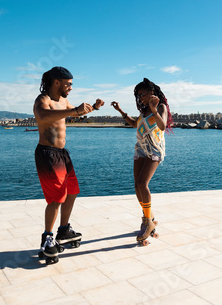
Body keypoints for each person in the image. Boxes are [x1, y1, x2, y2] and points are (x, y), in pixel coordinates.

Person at [34, 66, 104, 262]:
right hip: (47, 153)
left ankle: (63, 230)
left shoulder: (63, 100)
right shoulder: (43, 101)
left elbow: (73, 114)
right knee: (56, 198)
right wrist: (73, 110)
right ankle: (47, 238)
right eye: (69, 84)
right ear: (57, 82)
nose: (71, 88)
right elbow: (43, 116)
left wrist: (93, 108)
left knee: (72, 191)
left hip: (62, 154)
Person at [111, 78, 173, 243]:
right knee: (137, 185)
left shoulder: (160, 107)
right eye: (138, 96)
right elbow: (135, 124)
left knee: (143, 184)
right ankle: (149, 218)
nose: (140, 99)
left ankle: (147, 222)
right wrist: (120, 111)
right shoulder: (144, 110)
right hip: (140, 148)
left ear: (152, 93)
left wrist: (154, 110)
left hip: (154, 150)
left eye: (142, 95)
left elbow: (162, 125)